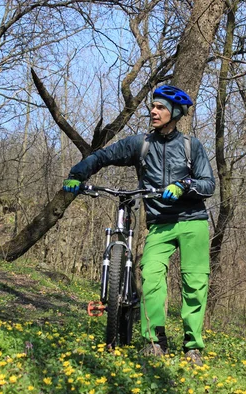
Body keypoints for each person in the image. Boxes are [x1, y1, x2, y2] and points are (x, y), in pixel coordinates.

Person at [63, 85, 215, 366]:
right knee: (151, 277)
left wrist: (183, 186)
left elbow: (208, 184)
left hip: (193, 222)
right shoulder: (140, 144)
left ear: (175, 113)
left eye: (161, 108)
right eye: (153, 106)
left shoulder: (191, 146)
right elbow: (102, 156)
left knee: (194, 283)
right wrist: (77, 174)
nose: (154, 111)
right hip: (160, 224)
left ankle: (193, 347)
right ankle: (155, 341)